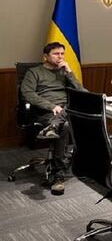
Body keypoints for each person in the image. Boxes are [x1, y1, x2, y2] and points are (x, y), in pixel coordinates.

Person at [20, 42, 85, 195]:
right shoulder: (34, 72)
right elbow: (27, 94)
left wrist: (69, 72)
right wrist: (51, 106)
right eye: (56, 54)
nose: (60, 57)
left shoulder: (64, 72)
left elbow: (82, 91)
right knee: (65, 125)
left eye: (62, 54)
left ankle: (54, 126)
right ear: (45, 56)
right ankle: (58, 175)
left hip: (65, 109)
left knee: (74, 109)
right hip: (45, 112)